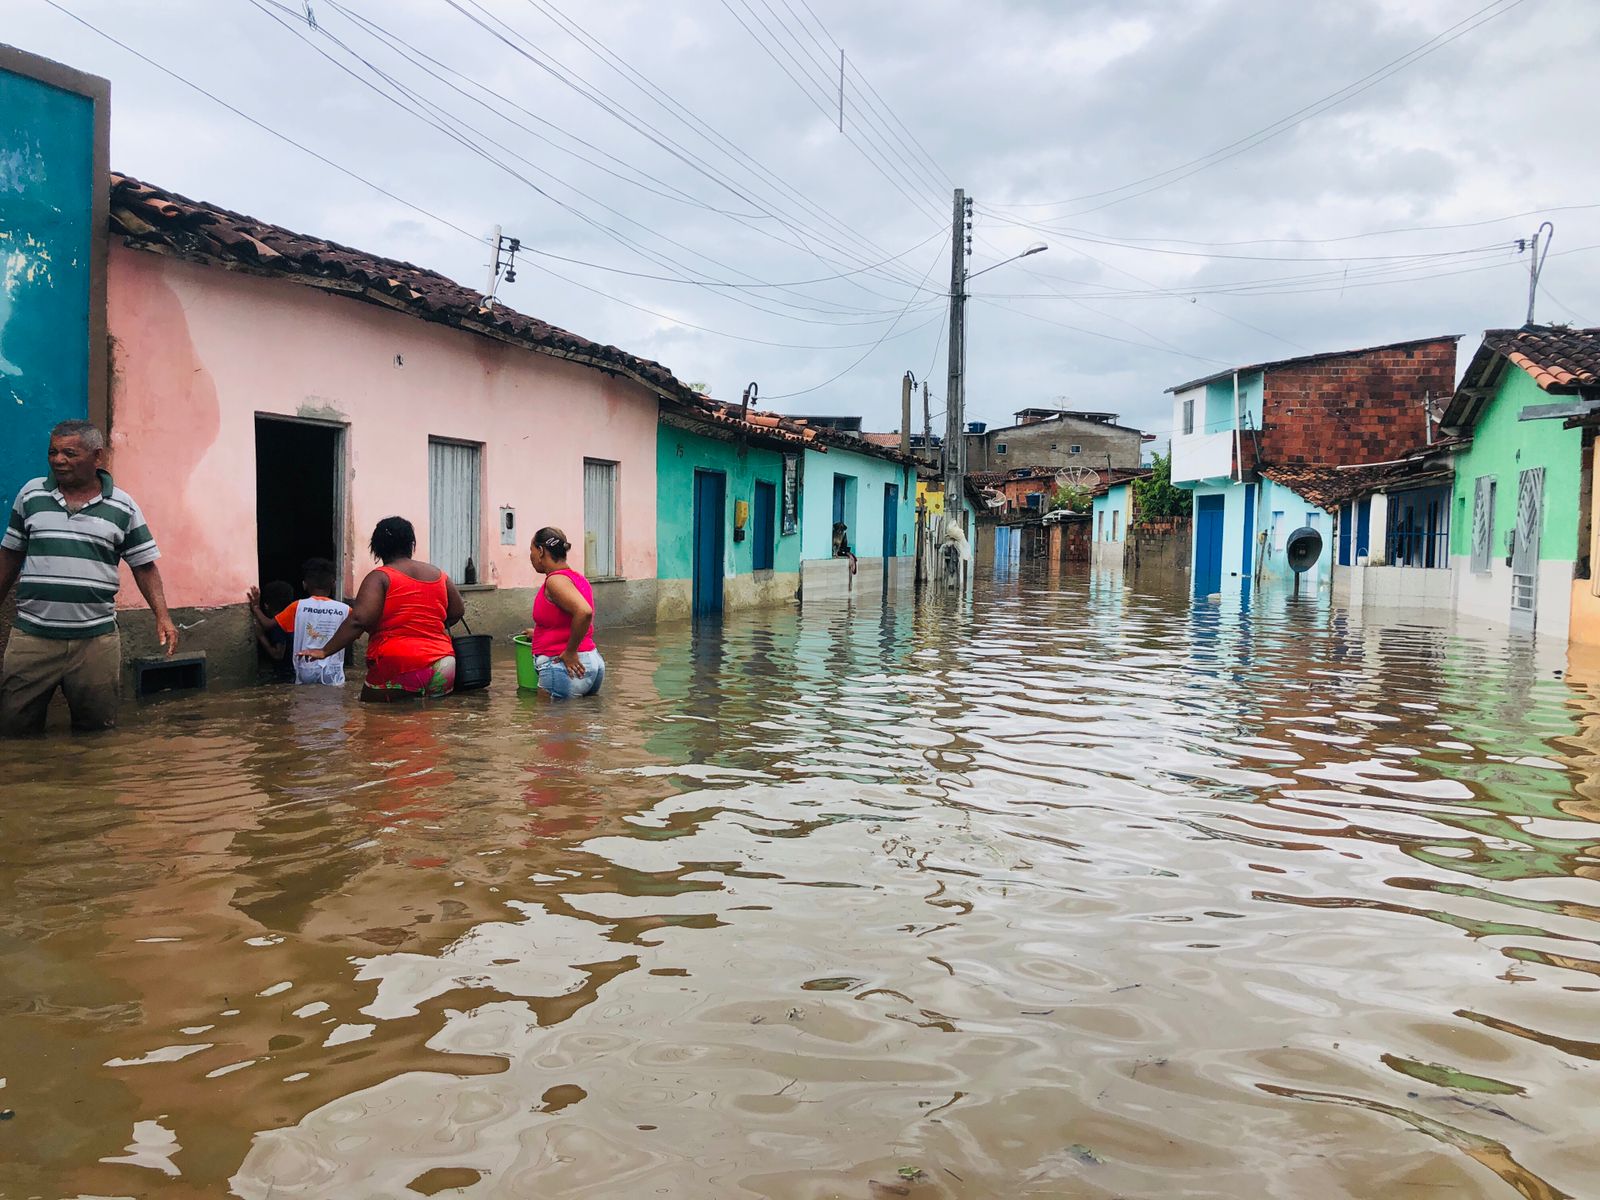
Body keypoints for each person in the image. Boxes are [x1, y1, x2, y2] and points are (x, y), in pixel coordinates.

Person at [0, 420, 178, 735]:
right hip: (32, 637)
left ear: (97, 457)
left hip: (95, 642)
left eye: (69, 453)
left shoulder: (122, 506)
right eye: (53, 452)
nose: (58, 460)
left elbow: (144, 565)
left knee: (97, 734)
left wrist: (162, 616)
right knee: (14, 732)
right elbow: (10, 556)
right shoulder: (30, 495)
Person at [300, 517, 463, 701]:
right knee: (430, 724)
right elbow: (457, 612)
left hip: (398, 662)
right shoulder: (440, 575)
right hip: (443, 663)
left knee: (375, 718)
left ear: (376, 548)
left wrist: (324, 651)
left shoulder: (380, 577)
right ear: (411, 544)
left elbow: (360, 619)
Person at [526, 527, 604, 699]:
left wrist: (570, 651)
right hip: (591, 662)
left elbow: (584, 613)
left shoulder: (555, 581)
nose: (530, 557)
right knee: (579, 722)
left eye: (531, 551)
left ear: (541, 551)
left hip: (563, 667)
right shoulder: (577, 578)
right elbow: (565, 620)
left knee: (547, 724)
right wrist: (538, 633)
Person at [253, 558, 350, 685]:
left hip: (306, 668)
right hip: (333, 670)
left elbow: (267, 624)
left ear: (304, 584)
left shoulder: (297, 606)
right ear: (334, 584)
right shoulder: (345, 610)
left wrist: (255, 607)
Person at [247, 579, 296, 680]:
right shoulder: (294, 617)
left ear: (266, 606)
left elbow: (278, 654)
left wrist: (261, 637)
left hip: (284, 675)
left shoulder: (278, 626)